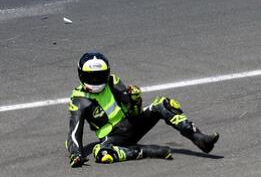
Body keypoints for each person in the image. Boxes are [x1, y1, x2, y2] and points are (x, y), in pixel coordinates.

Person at [66, 52, 219, 167]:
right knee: (101, 153)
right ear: (81, 75)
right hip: (114, 137)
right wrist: (76, 155)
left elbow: (134, 111)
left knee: (163, 104)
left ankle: (200, 138)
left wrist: (135, 99)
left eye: (100, 76)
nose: (96, 80)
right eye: (91, 76)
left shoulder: (113, 81)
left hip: (132, 123)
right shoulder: (79, 100)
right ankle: (140, 152)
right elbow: (74, 132)